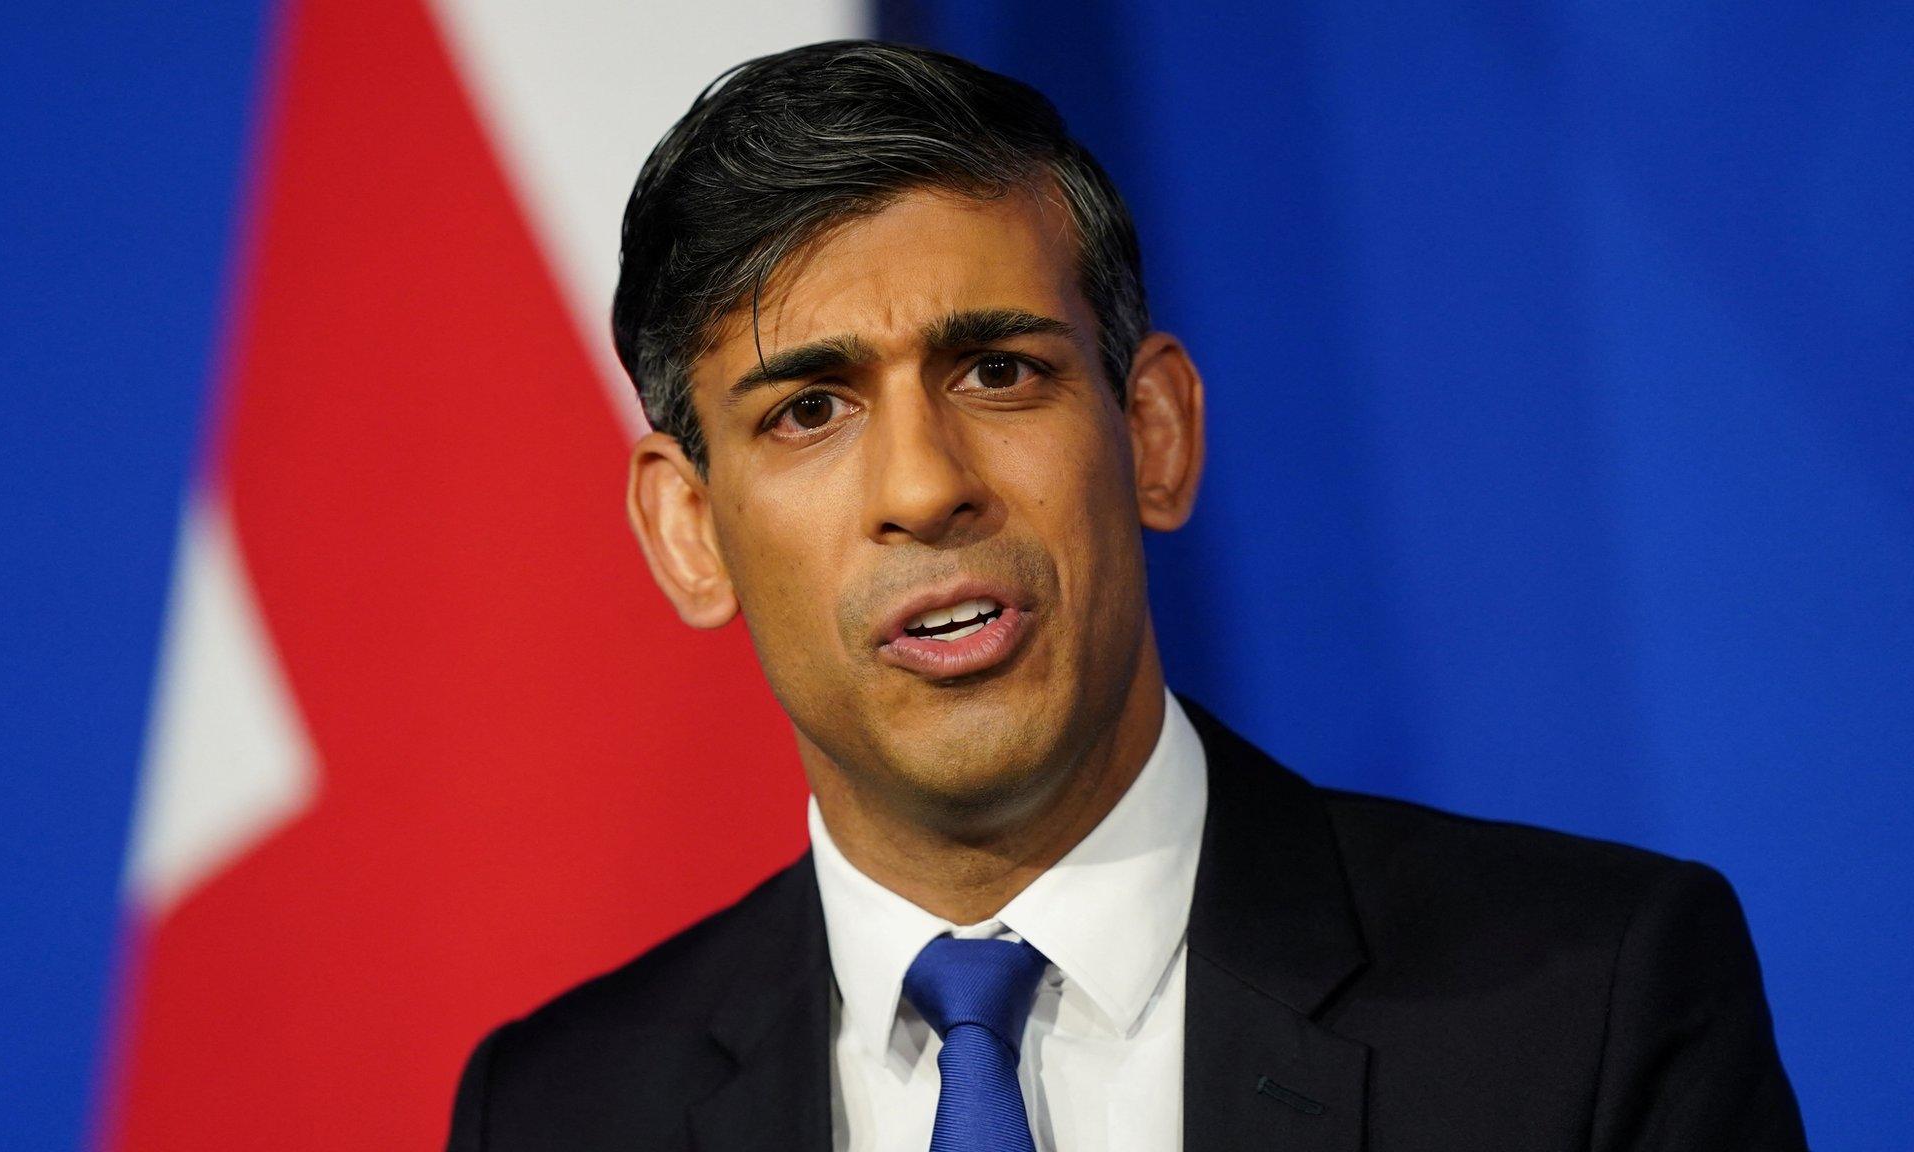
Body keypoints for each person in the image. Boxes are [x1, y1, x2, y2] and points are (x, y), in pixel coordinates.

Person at [445, 41, 1804, 1152]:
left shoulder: (1586, 1010)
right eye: (809, 409)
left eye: (999, 373)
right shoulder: (561, 1112)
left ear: (1151, 431)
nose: (924, 486)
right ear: (689, 531)